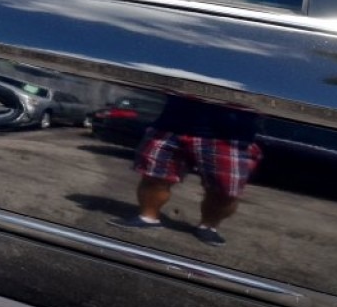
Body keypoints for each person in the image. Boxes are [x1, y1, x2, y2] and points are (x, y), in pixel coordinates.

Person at [110, 96, 262, 246]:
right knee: (154, 176)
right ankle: (148, 217)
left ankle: (208, 226)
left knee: (225, 190)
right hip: (171, 124)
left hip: (230, 134)